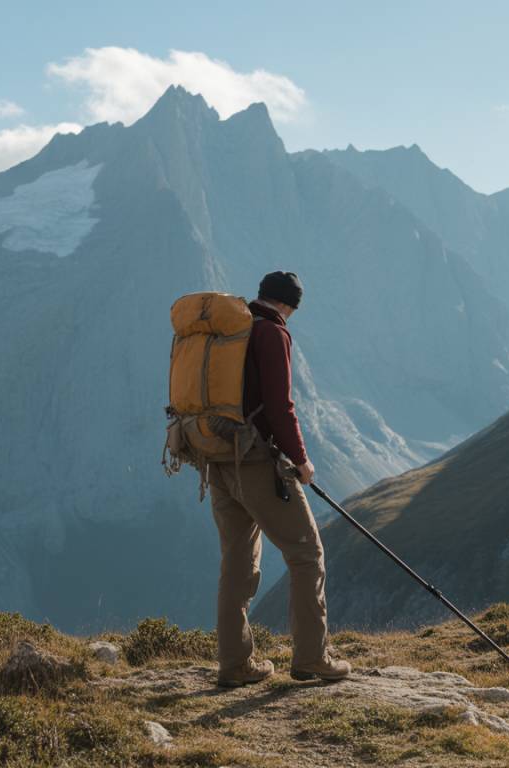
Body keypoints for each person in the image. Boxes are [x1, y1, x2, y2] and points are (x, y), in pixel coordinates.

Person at [209, 271, 351, 688]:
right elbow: (279, 406)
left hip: (218, 462)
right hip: (256, 462)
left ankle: (235, 663)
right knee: (307, 554)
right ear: (290, 305)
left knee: (236, 563)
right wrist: (301, 460)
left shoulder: (230, 329)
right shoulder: (272, 334)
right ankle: (312, 657)